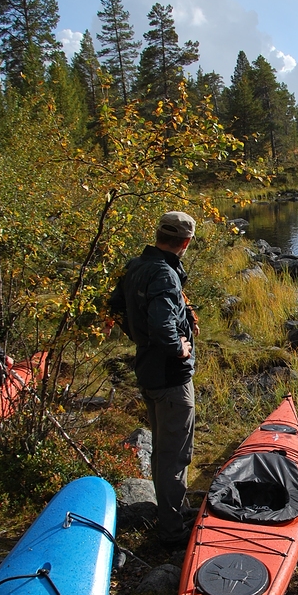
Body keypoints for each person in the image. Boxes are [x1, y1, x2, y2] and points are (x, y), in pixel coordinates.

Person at [110, 211, 199, 548]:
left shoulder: (136, 266)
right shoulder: (164, 274)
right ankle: (173, 530)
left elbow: (115, 305)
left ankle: (172, 512)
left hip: (149, 371)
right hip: (171, 377)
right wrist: (178, 348)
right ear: (186, 242)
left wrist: (139, 336)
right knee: (174, 454)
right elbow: (164, 325)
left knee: (164, 449)